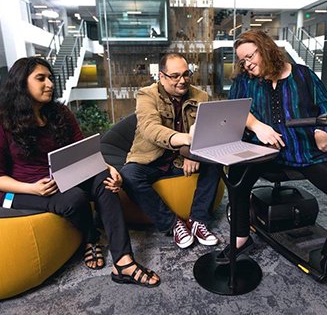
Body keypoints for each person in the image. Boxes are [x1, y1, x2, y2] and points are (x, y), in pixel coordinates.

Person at [0, 57, 160, 288]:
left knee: (104, 181)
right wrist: (31, 188)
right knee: (75, 198)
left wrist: (110, 169)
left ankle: (123, 262)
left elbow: (86, 152)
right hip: (22, 189)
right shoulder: (4, 121)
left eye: (51, 78)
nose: (50, 84)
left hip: (64, 177)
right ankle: (91, 238)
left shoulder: (60, 113)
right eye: (41, 78)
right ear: (21, 82)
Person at [217, 29, 327, 262]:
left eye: (250, 56)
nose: (246, 64)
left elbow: (325, 108)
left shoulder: (304, 75)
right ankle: (241, 238)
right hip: (261, 152)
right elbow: (234, 111)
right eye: (242, 60)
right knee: (236, 176)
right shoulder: (244, 82)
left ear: (266, 49)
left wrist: (321, 130)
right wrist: (256, 125)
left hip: (304, 151)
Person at [120, 53, 222, 249]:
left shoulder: (201, 96)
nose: (182, 81)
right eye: (175, 76)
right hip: (151, 159)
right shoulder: (146, 95)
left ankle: (198, 220)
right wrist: (187, 143)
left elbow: (206, 130)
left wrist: (191, 152)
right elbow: (150, 129)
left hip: (181, 161)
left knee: (215, 161)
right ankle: (173, 224)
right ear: (161, 76)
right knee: (129, 176)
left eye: (186, 74)